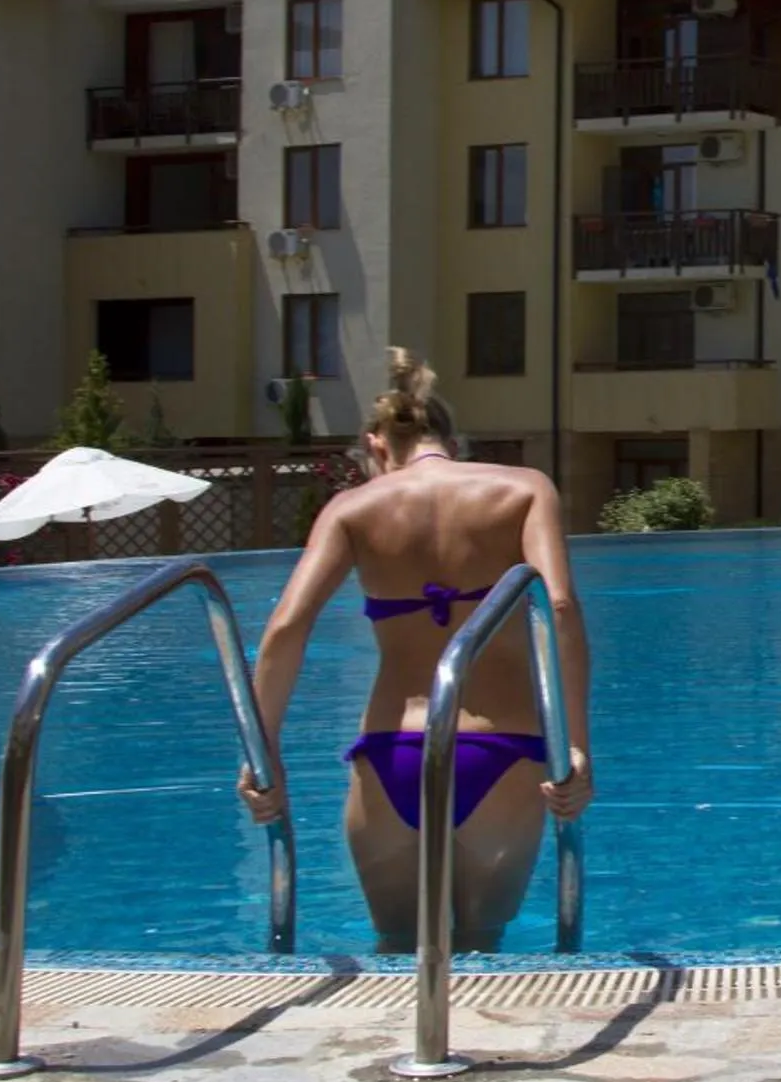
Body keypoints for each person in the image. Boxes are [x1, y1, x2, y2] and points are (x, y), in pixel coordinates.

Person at [237, 349, 593, 953]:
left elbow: (285, 628)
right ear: (451, 439)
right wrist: (576, 746)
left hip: (391, 751)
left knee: (397, 949)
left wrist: (261, 751)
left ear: (377, 445)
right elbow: (560, 607)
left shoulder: (351, 508)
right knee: (481, 947)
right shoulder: (525, 489)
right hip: (502, 748)